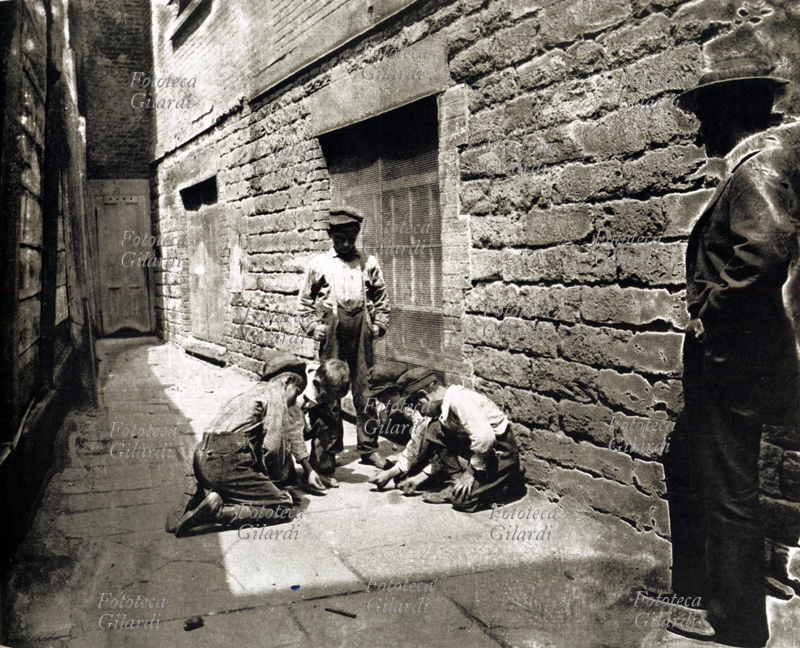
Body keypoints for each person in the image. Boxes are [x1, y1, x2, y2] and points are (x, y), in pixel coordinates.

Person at [665, 56, 800, 647]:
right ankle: (738, 598)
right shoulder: (771, 160)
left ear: (728, 115)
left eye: (703, 118)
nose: (699, 133)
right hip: (747, 352)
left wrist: (708, 314)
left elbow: (765, 251)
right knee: (724, 481)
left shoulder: (753, 169)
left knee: (728, 490)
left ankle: (736, 623)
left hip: (730, 355)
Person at [167, 351, 326, 537]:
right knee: (283, 507)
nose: (293, 402)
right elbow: (273, 448)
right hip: (225, 461)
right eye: (296, 393)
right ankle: (217, 513)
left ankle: (197, 501)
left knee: (246, 486)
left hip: (202, 456)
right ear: (287, 382)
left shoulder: (254, 391)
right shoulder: (276, 394)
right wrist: (276, 488)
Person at [297, 207, 391, 468]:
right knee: (329, 389)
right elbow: (305, 301)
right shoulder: (319, 266)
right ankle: (329, 448)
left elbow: (381, 297)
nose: (347, 244)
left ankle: (369, 447)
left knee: (366, 388)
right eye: (341, 240)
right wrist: (314, 327)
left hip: (361, 331)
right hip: (333, 331)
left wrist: (379, 324)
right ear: (331, 235)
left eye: (352, 238)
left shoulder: (368, 263)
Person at [384, 368, 527, 512]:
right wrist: (419, 478)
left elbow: (485, 439)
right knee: (434, 430)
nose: (419, 412)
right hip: (481, 454)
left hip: (500, 453)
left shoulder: (460, 400)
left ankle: (509, 485)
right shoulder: (442, 409)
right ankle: (456, 483)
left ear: (424, 396)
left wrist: (470, 474)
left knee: (463, 501)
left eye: (416, 406)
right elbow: (443, 450)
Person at [297, 358, 350, 488]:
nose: (331, 401)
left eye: (335, 399)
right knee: (284, 476)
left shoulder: (327, 387)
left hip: (309, 418)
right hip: (291, 423)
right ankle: (307, 472)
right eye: (327, 397)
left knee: (328, 423)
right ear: (316, 383)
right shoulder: (299, 392)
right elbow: (292, 430)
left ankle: (316, 469)